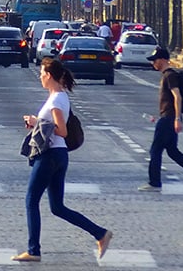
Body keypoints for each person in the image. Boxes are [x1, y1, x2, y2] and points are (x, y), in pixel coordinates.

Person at [13, 57, 113, 262]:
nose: (40, 77)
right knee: (57, 207)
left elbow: (62, 131)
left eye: (42, 74)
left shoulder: (57, 99)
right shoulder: (59, 97)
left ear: (49, 75)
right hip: (59, 155)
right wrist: (36, 125)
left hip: (50, 155)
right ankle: (100, 233)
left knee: (31, 201)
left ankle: (33, 250)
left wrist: (36, 121)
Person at [139, 47, 183, 192]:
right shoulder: (168, 75)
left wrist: (177, 118)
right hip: (168, 117)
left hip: (169, 119)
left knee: (155, 151)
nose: (153, 63)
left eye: (155, 60)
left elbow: (177, 96)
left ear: (163, 59)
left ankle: (155, 182)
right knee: (172, 151)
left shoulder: (169, 76)